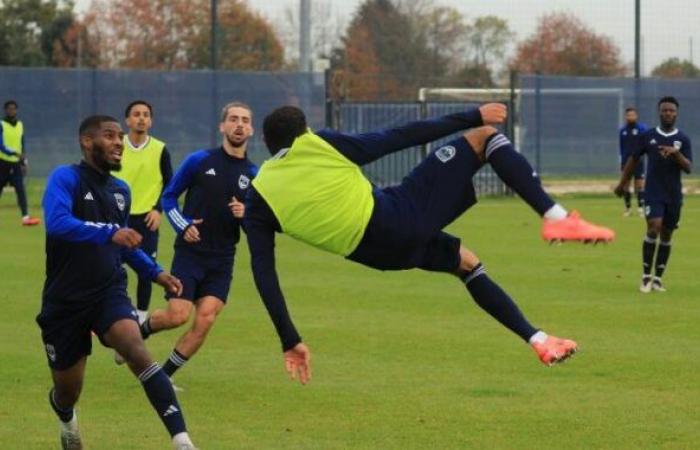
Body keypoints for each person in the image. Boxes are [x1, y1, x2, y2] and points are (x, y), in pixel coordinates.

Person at [243, 103, 616, 384]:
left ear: (265, 143)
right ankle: (556, 219)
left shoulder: (259, 196)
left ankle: (539, 339)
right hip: (396, 218)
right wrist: (472, 115)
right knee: (485, 138)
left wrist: (289, 338)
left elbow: (264, 273)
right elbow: (401, 136)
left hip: (379, 255)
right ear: (304, 131)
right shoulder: (319, 144)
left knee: (466, 263)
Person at [37, 115, 197, 450]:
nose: (118, 142)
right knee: (68, 390)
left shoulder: (120, 191)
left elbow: (123, 246)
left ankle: (182, 441)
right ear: (86, 141)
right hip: (65, 300)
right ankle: (67, 419)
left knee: (135, 348)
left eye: (120, 137)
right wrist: (112, 232)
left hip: (108, 291)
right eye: (109, 136)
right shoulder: (65, 178)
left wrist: (157, 273)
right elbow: (57, 223)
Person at [138, 102, 257, 388]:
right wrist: (184, 225)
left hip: (223, 258)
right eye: (233, 119)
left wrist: (247, 214)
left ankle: (162, 379)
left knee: (205, 320)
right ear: (222, 126)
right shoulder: (199, 160)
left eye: (244, 120)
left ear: (251, 129)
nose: (239, 124)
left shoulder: (255, 174)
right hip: (191, 254)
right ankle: (134, 334)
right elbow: (169, 197)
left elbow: (257, 223)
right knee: (177, 315)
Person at [615, 96, 692, 293]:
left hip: (673, 194)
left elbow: (688, 168)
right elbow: (633, 160)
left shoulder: (682, 139)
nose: (668, 113)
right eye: (665, 110)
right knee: (654, 227)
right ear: (659, 112)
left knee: (666, 234)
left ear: (676, 113)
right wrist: (622, 184)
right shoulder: (648, 136)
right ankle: (645, 276)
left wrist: (675, 153)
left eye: (672, 111)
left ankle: (657, 279)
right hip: (653, 191)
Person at [112, 100, 173, 323]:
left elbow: (170, 184)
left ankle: (139, 319)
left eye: (146, 114)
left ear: (151, 121)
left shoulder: (160, 149)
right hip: (118, 219)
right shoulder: (117, 146)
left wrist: (158, 210)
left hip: (147, 220)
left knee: (147, 272)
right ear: (127, 120)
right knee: (113, 270)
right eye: (136, 114)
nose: (141, 118)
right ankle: (113, 315)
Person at [0, 100, 41, 225]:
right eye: (9, 108)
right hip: (2, 163)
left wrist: (24, 161)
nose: (11, 111)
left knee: (21, 190)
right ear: (5, 110)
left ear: (16, 110)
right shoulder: (1, 124)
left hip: (16, 164)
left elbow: (22, 144)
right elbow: (1, 146)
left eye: (13, 108)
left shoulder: (20, 125)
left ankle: (25, 218)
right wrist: (14, 153)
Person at [618, 107, 648, 216]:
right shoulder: (623, 130)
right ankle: (627, 208)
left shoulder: (642, 129)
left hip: (638, 161)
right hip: (626, 162)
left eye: (632, 115)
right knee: (626, 185)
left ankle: (641, 209)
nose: (630, 117)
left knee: (640, 185)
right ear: (626, 117)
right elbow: (621, 147)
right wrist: (622, 162)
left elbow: (646, 144)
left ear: (636, 116)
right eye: (628, 115)